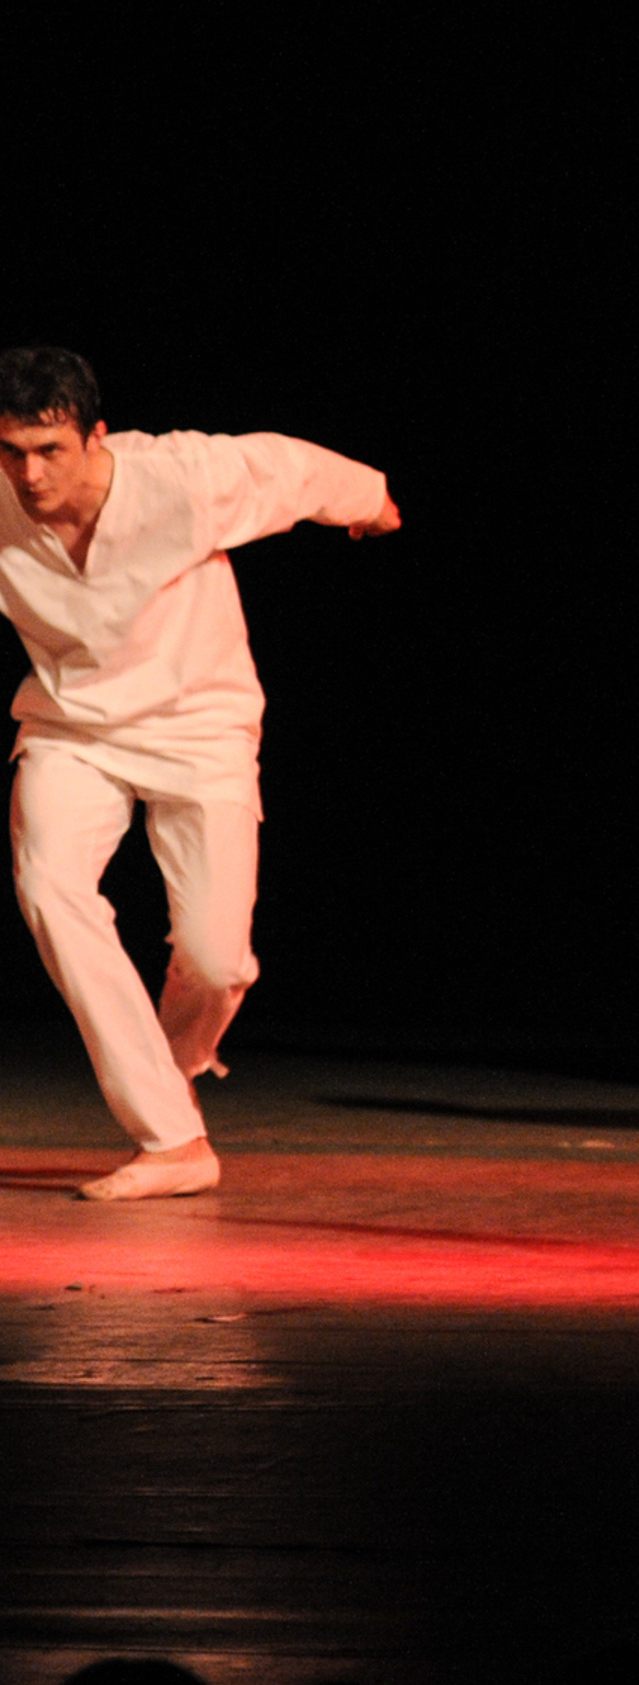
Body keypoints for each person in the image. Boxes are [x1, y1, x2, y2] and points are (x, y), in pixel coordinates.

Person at [0, 347, 398, 1200]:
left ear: (94, 436)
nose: (29, 475)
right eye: (11, 452)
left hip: (201, 724)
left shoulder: (181, 476)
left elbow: (289, 467)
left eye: (49, 451)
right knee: (48, 887)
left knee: (219, 960)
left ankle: (170, 1072)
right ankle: (173, 1142)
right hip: (74, 729)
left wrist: (372, 503)